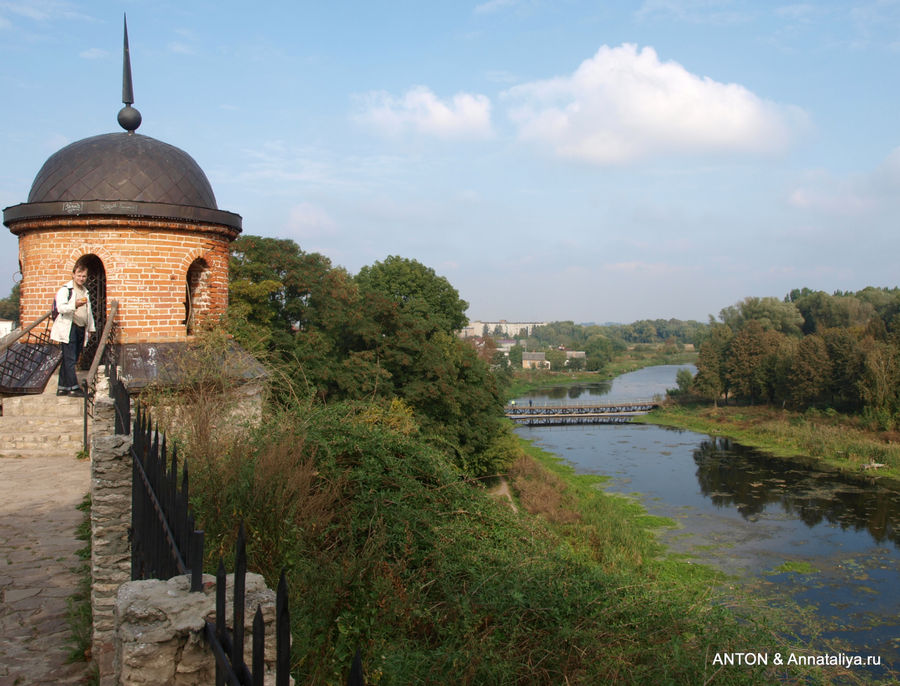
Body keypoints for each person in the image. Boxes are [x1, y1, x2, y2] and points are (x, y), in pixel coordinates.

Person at [50, 259, 95, 397]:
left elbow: (89, 312)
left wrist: (91, 328)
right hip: (70, 327)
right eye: (79, 275)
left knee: (72, 358)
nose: (81, 278)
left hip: (81, 327)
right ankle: (73, 387)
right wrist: (74, 305)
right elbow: (61, 307)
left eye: (84, 276)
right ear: (73, 275)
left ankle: (62, 387)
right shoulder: (66, 290)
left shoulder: (85, 291)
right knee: (70, 358)